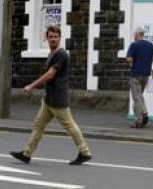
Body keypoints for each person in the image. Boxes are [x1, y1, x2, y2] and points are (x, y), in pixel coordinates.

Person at [10, 25, 92, 165]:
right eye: (50, 37)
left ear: (60, 38)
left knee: (70, 126)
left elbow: (50, 74)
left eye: (55, 37)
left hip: (58, 98)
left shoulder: (61, 54)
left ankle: (85, 152)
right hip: (49, 99)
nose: (53, 39)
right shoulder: (53, 53)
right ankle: (27, 153)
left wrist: (32, 85)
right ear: (46, 38)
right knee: (38, 125)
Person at [126, 26, 153, 128]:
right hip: (146, 75)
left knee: (136, 98)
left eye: (134, 35)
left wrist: (130, 62)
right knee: (140, 95)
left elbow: (129, 59)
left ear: (136, 35)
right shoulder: (150, 45)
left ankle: (138, 120)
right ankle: (144, 113)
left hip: (135, 74)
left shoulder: (134, 45)